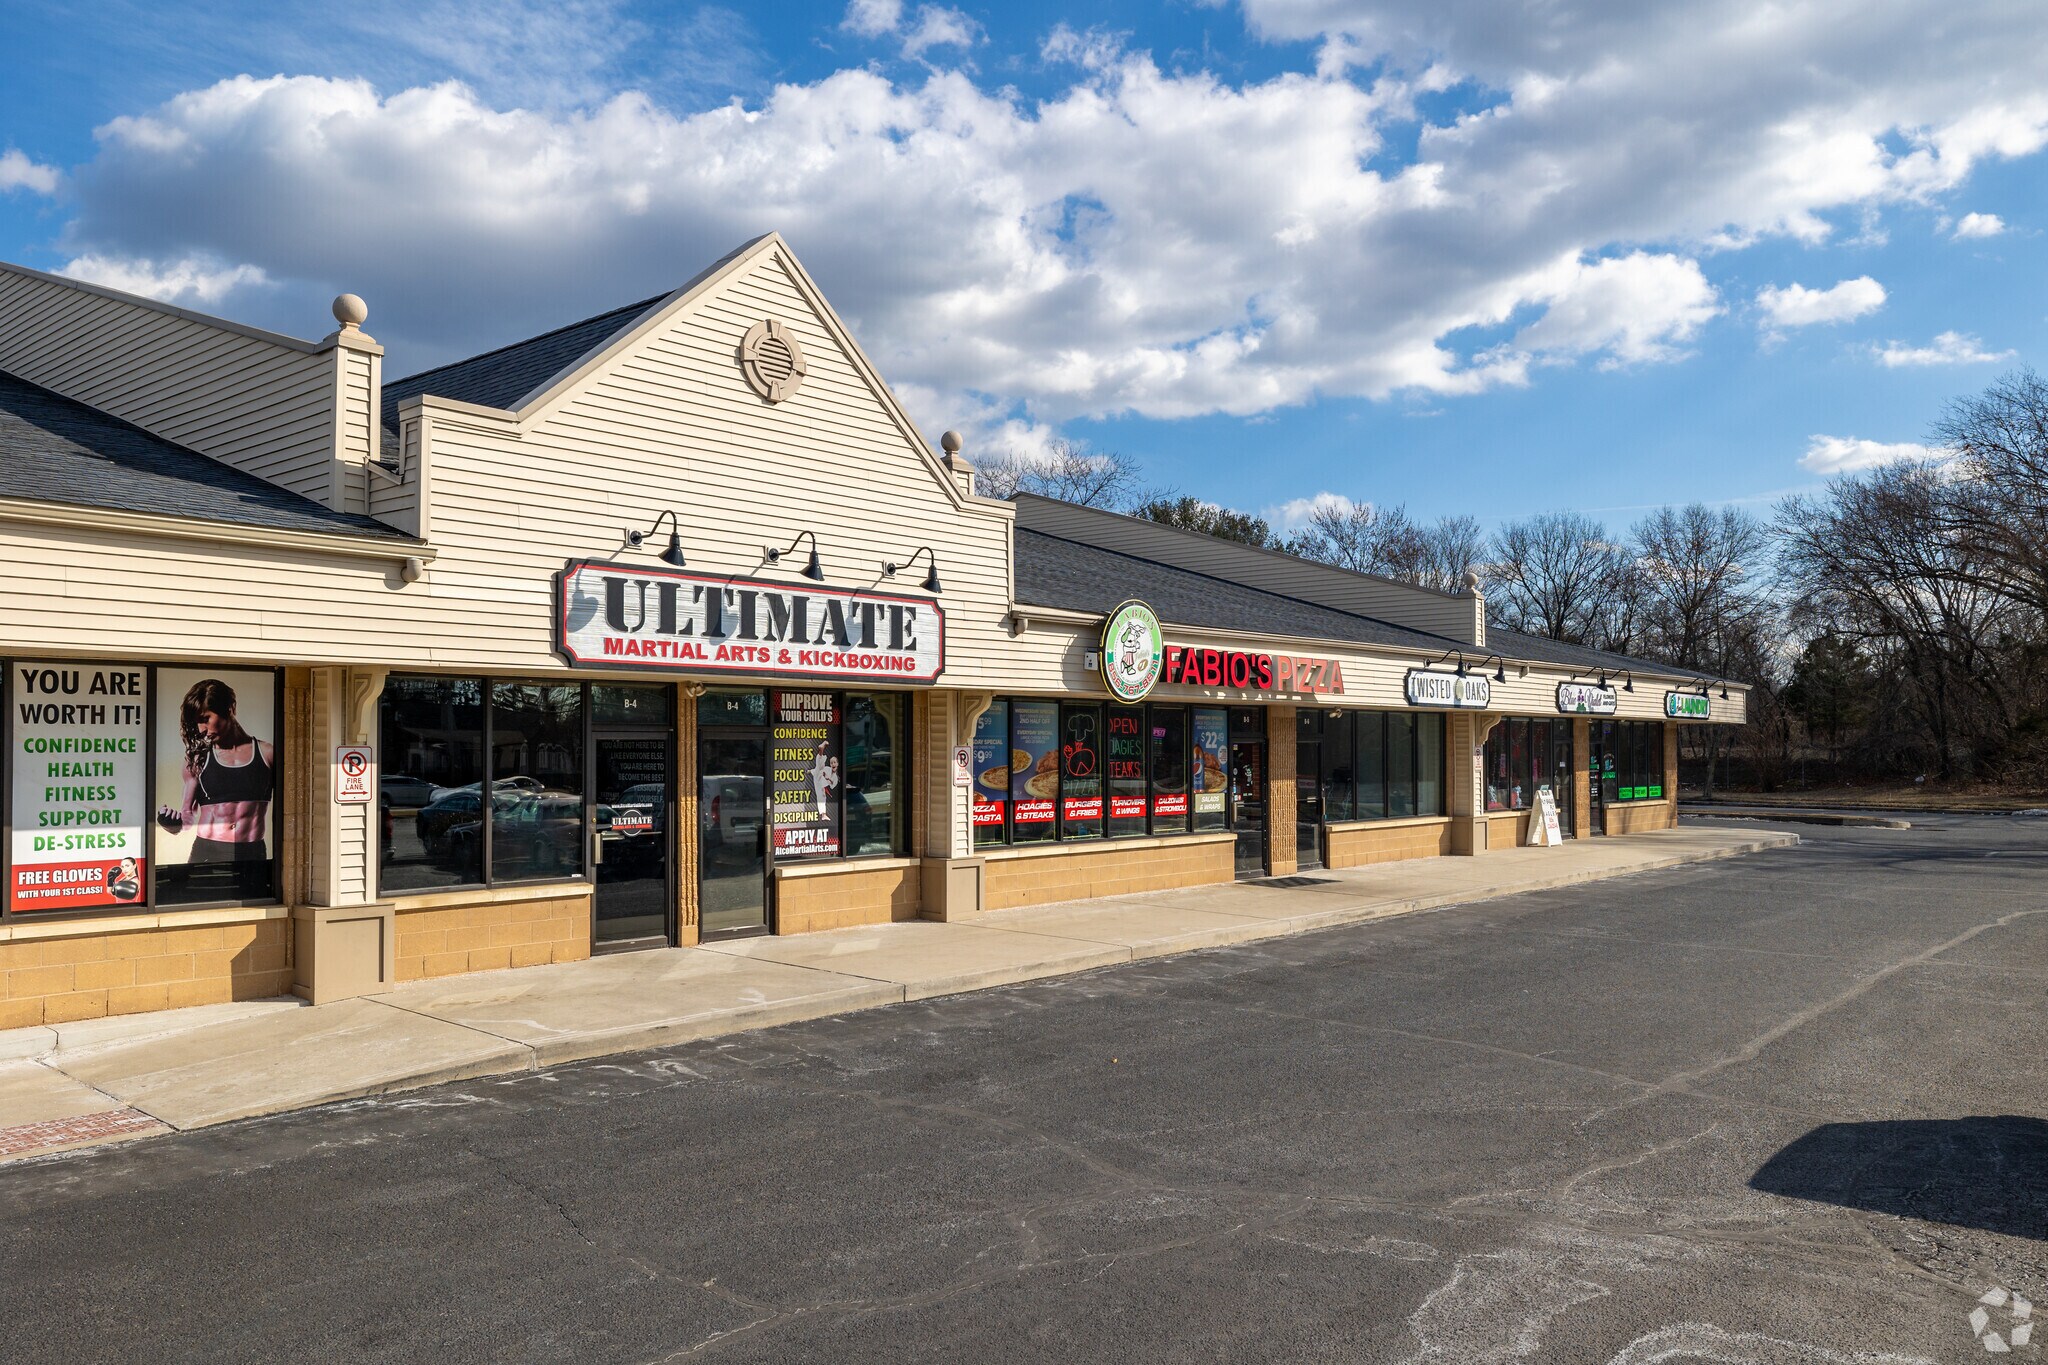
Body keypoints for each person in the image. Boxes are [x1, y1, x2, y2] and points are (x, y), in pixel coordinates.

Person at [156, 678, 274, 864]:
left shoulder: (268, 754)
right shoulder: (196, 759)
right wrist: (172, 825)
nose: (201, 729)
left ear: (230, 709)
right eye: (197, 723)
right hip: (207, 852)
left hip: (252, 853)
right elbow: (187, 817)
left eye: (205, 719)